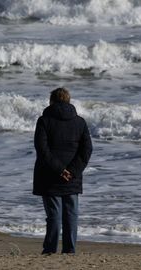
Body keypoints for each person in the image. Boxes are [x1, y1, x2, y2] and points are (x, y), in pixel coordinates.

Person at [33, 87, 93, 254]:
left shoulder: (44, 121)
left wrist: (60, 170)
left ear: (52, 101)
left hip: (49, 175)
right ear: (68, 100)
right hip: (72, 177)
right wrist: (72, 171)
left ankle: (50, 250)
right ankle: (70, 250)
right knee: (71, 215)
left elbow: (42, 150)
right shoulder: (80, 122)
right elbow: (86, 150)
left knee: (54, 215)